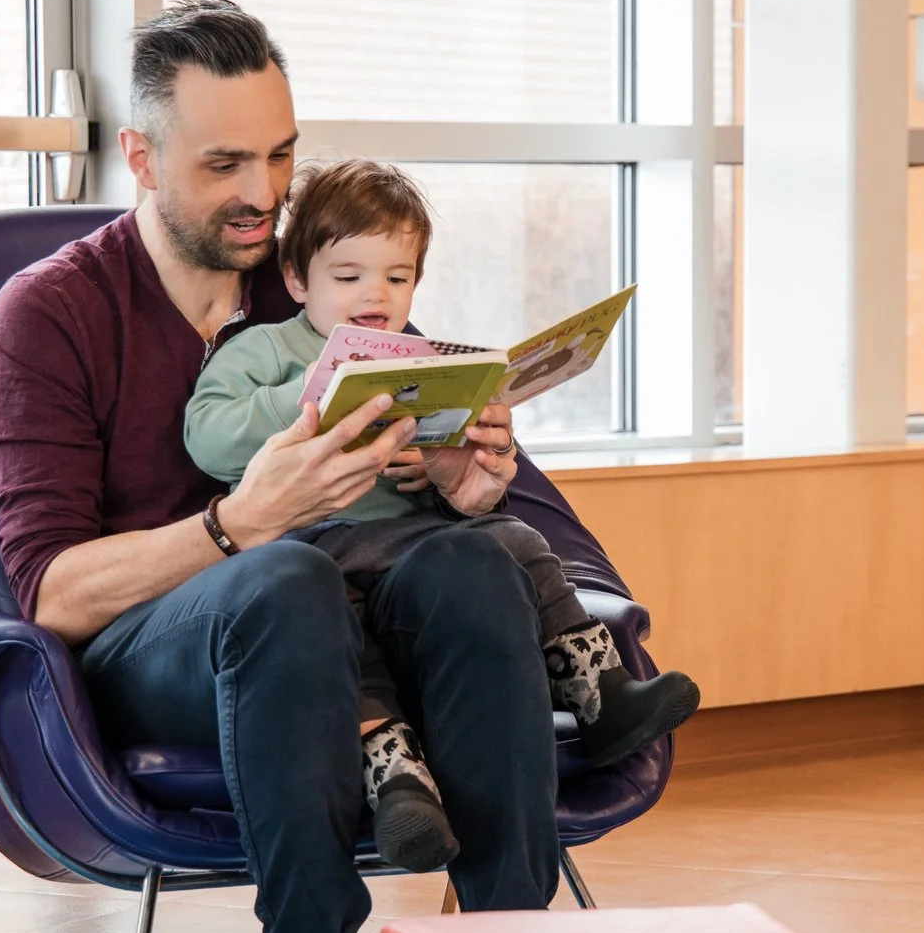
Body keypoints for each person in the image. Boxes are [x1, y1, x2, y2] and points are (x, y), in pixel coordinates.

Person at [0, 0, 561, 933]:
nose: (264, 191)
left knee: (476, 567)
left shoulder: (319, 280)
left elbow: (456, 486)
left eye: (282, 154)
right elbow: (47, 592)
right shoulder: (48, 313)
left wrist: (479, 486)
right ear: (140, 157)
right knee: (279, 581)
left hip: (354, 615)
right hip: (156, 644)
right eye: (226, 162)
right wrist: (235, 526)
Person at [183, 159, 700, 876]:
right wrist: (300, 394)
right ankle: (398, 784)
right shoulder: (265, 350)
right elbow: (205, 435)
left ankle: (600, 691)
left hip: (414, 550)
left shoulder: (417, 359)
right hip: (311, 547)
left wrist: (453, 466)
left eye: (397, 278)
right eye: (349, 275)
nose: (376, 293)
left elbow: (452, 488)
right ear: (298, 280)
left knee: (514, 536)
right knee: (334, 623)